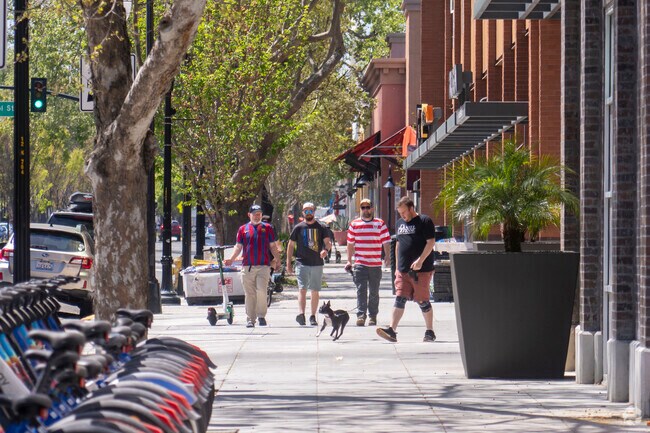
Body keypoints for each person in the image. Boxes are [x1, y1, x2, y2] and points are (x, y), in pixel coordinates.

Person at [376, 196, 436, 343]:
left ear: (411, 208)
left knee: (422, 300)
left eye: (404, 212)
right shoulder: (399, 224)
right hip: (403, 270)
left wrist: (420, 260)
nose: (402, 216)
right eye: (400, 213)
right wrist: (396, 267)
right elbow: (398, 244)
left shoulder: (424, 221)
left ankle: (430, 331)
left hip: (421, 270)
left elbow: (431, 242)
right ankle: (392, 330)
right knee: (400, 298)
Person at [225, 204, 280, 328]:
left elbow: (272, 246)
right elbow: (238, 246)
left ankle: (261, 316)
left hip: (263, 266)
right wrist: (231, 259)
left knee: (261, 290)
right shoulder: (243, 229)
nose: (257, 216)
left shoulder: (268, 228)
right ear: (249, 215)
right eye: (254, 214)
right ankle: (250, 319)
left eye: (259, 214)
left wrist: (277, 259)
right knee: (249, 294)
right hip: (247, 267)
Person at [346, 198, 390, 327]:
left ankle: (373, 316)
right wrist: (349, 261)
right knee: (361, 290)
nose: (365, 210)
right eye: (363, 207)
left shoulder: (380, 224)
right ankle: (361, 315)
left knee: (374, 291)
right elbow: (350, 244)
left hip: (375, 264)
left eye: (368, 207)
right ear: (360, 209)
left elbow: (386, 241)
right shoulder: (354, 224)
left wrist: (387, 256)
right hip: (360, 263)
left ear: (372, 208)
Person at [286, 202, 332, 326]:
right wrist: (288, 263)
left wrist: (325, 250)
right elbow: (290, 245)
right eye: (306, 211)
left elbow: (328, 243)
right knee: (302, 289)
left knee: (315, 290)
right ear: (303, 213)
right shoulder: (298, 227)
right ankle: (301, 314)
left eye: (310, 211)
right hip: (302, 263)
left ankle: (312, 316)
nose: (308, 213)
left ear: (314, 211)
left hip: (317, 263)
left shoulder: (321, 227)